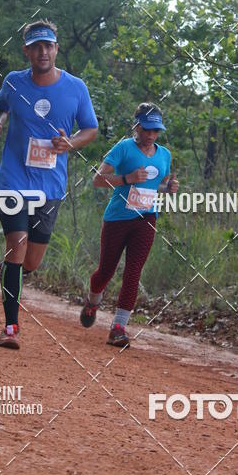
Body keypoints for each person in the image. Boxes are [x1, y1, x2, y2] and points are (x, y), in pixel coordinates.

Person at [0, 19, 98, 349]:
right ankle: (10, 327)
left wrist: (70, 143)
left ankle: (11, 273)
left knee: (30, 262)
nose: (43, 52)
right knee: (17, 243)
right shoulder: (14, 82)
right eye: (36, 47)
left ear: (56, 49)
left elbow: (90, 129)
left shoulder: (76, 88)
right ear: (27, 51)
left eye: (48, 45)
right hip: (14, 180)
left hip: (50, 187)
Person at [80, 102, 178, 347]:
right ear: (136, 126)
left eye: (155, 131)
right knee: (105, 272)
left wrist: (169, 188)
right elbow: (98, 180)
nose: (151, 135)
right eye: (146, 130)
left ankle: (118, 328)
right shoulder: (123, 148)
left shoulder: (164, 154)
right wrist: (127, 178)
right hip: (118, 218)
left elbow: (158, 185)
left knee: (133, 273)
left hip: (146, 218)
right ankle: (93, 301)